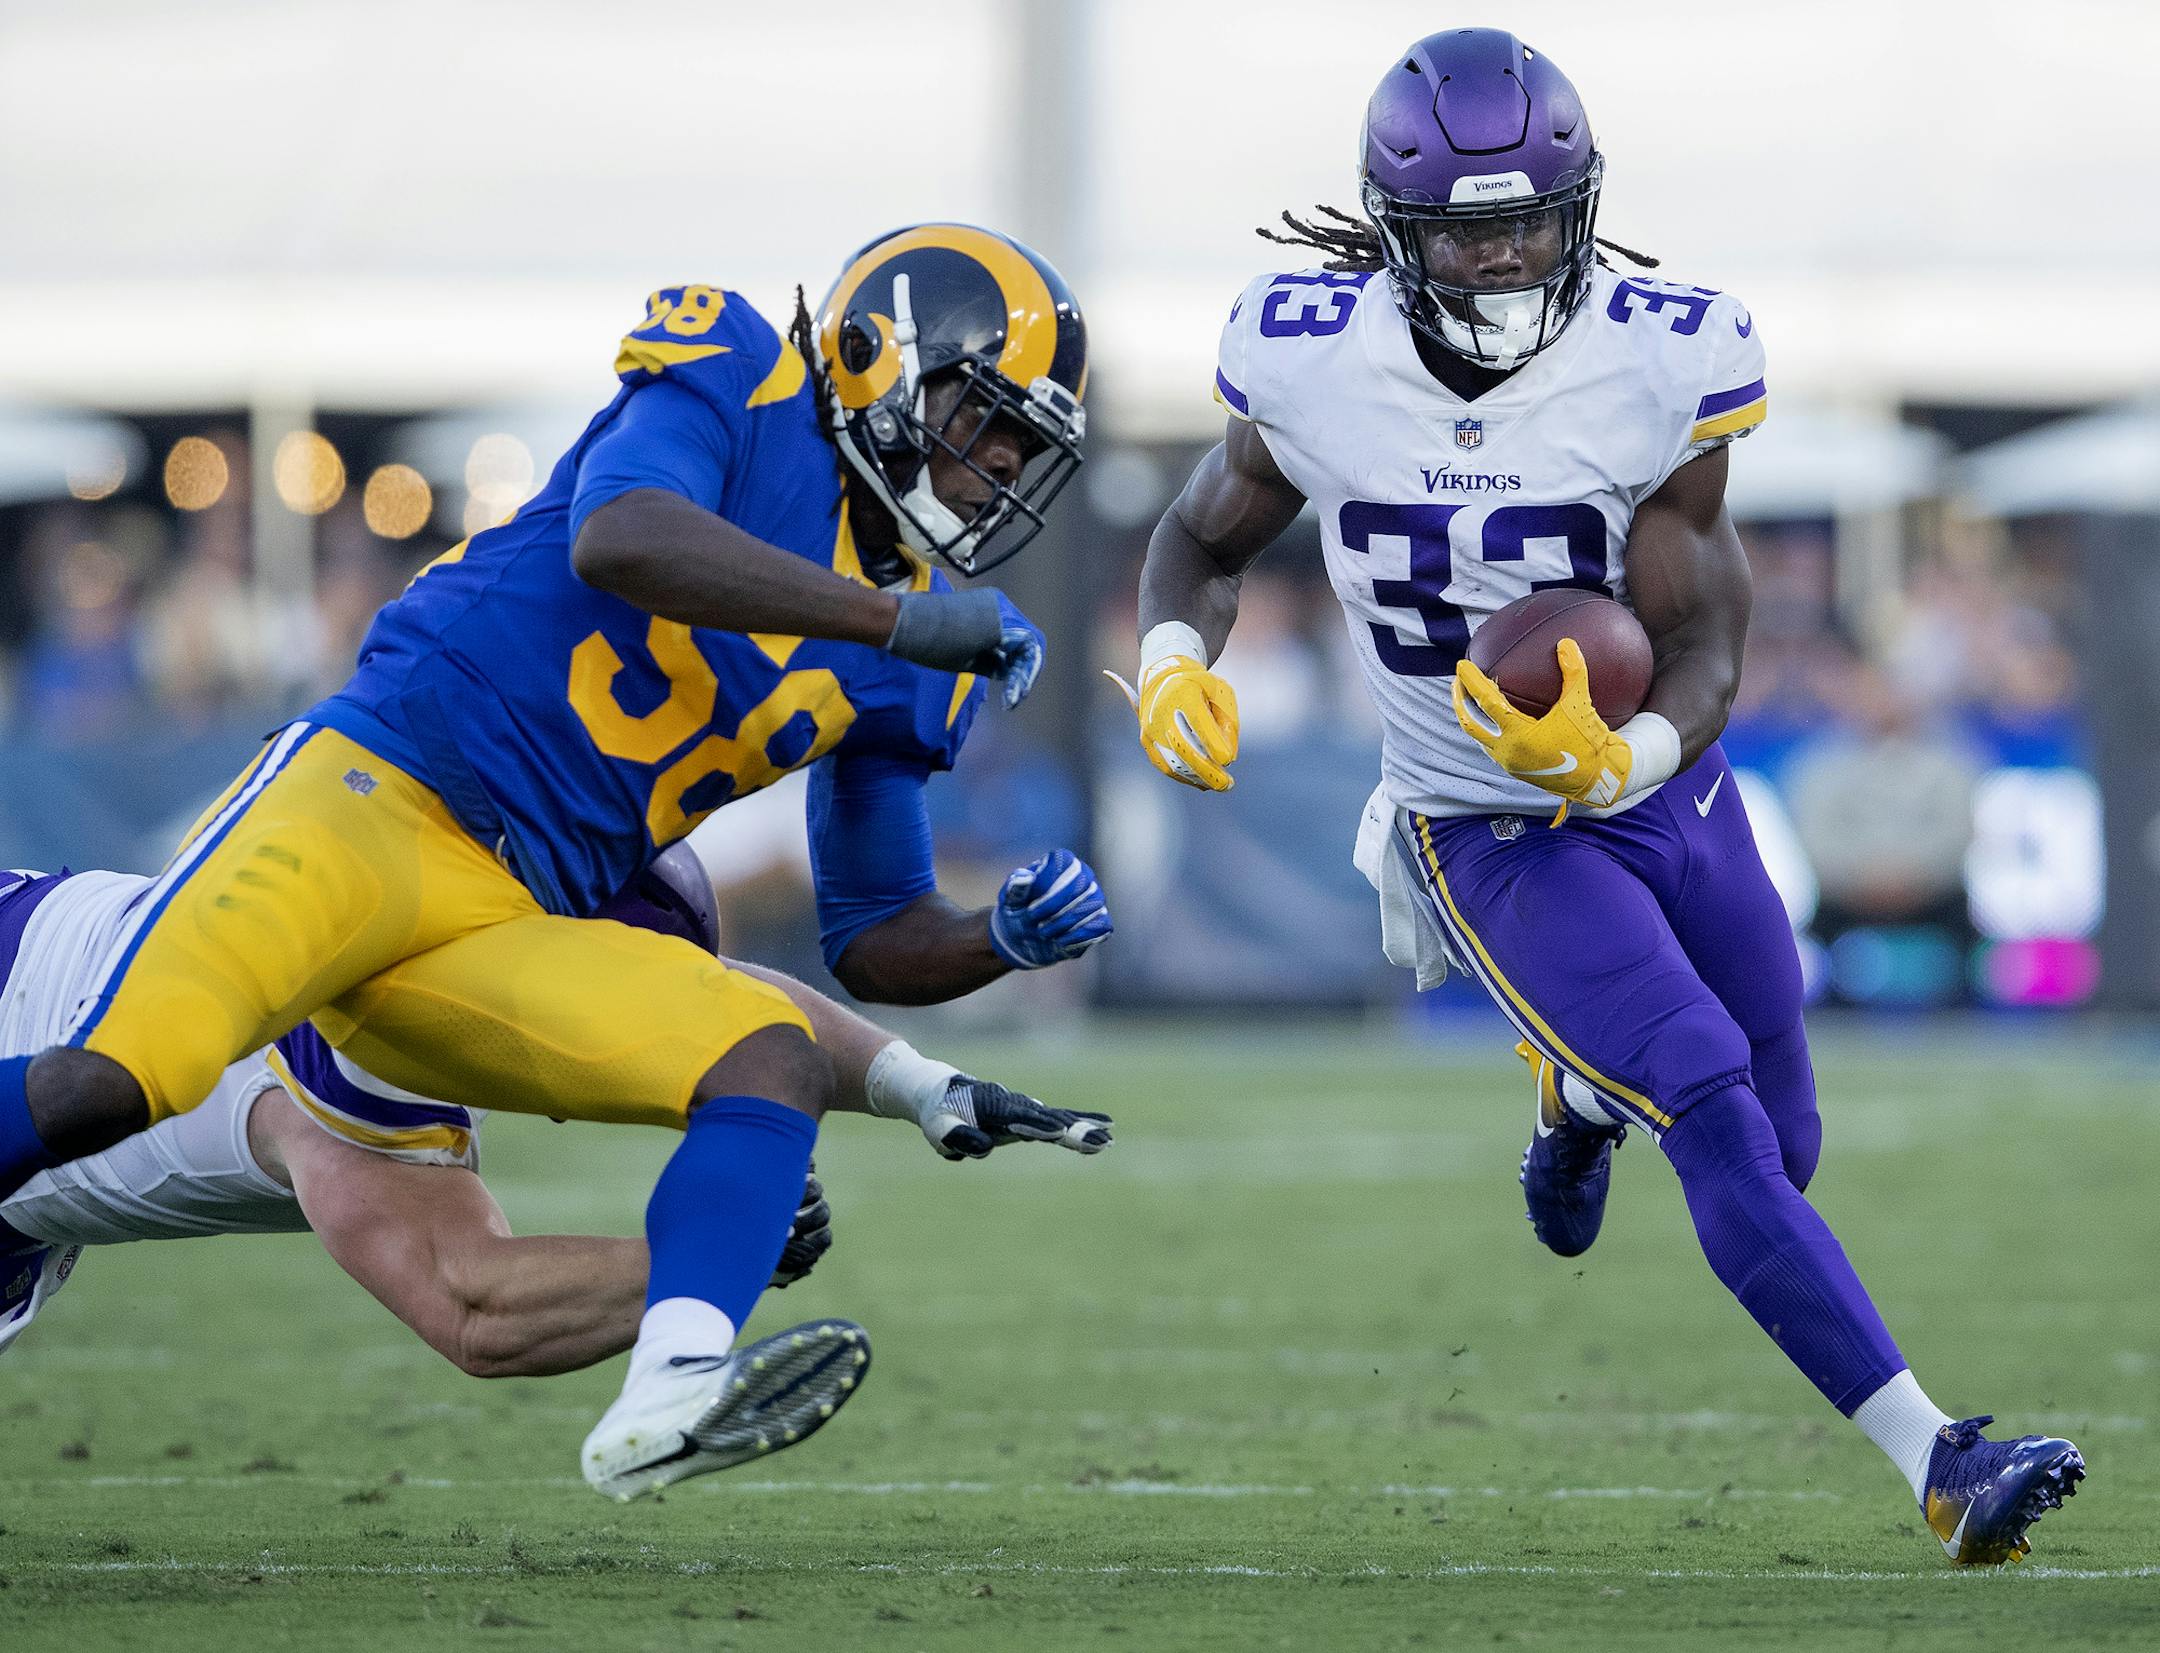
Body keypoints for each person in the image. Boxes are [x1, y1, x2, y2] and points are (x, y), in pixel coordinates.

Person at [1125, 29, 2081, 1566]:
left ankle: (1572, 1092)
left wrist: (1624, 757)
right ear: (1391, 231)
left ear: (1582, 208)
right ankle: (1943, 1460)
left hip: (1667, 790)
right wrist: (1175, 658)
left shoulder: (1661, 352)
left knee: (1786, 1137)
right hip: (1482, 821)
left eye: (1525, 222)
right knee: (1703, 1090)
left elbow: (1705, 632)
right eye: (1461, 231)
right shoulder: (1308, 354)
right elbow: (1201, 536)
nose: (1500, 261)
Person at [0, 224, 1112, 1501]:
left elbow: (872, 930)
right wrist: (892, 614)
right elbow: (623, 536)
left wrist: (996, 940)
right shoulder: (742, 376)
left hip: (507, 914)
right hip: (381, 790)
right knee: (118, 1076)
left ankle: (671, 1389)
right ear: (882, 361)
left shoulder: (917, 657)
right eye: (988, 426)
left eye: (1027, 453)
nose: (998, 474)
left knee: (769, 1054)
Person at [0, 847, 1111, 1370]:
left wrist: (921, 1085)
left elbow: (720, 1013)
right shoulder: (346, 1062)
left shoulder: (420, 893)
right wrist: (710, 1253)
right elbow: (473, 1308)